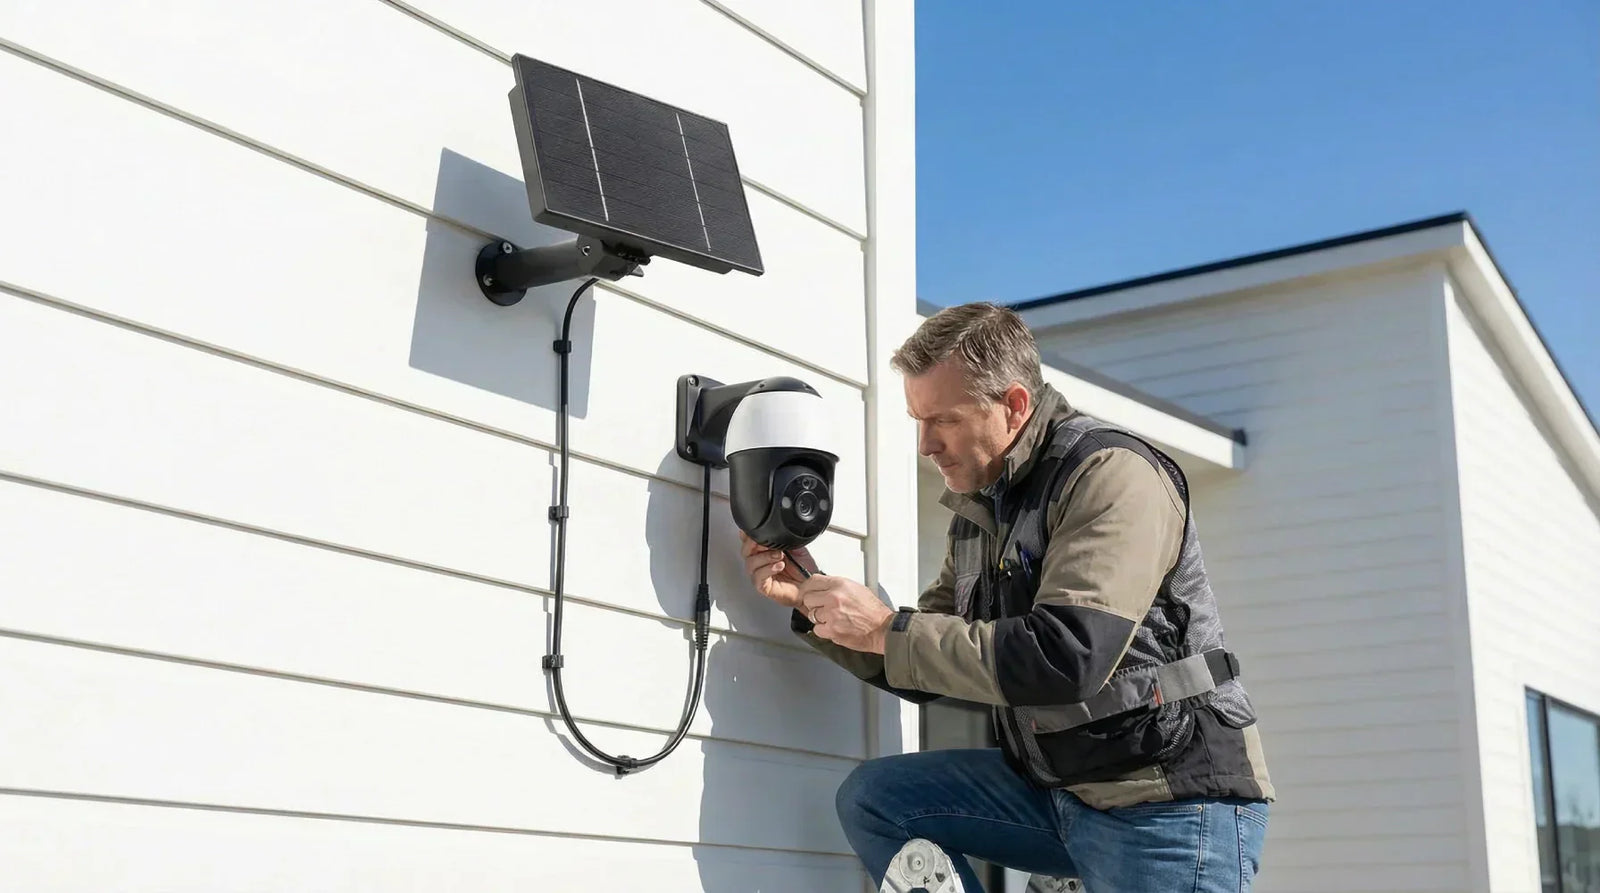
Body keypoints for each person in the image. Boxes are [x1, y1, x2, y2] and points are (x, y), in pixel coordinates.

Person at [739, 302, 1274, 892]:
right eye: (918, 420)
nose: (925, 445)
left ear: (1015, 405)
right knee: (880, 800)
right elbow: (921, 663)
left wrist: (885, 627)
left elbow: (1068, 656)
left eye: (943, 419)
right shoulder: (981, 512)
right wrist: (812, 606)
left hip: (1166, 799)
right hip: (1055, 794)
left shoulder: (1111, 473)